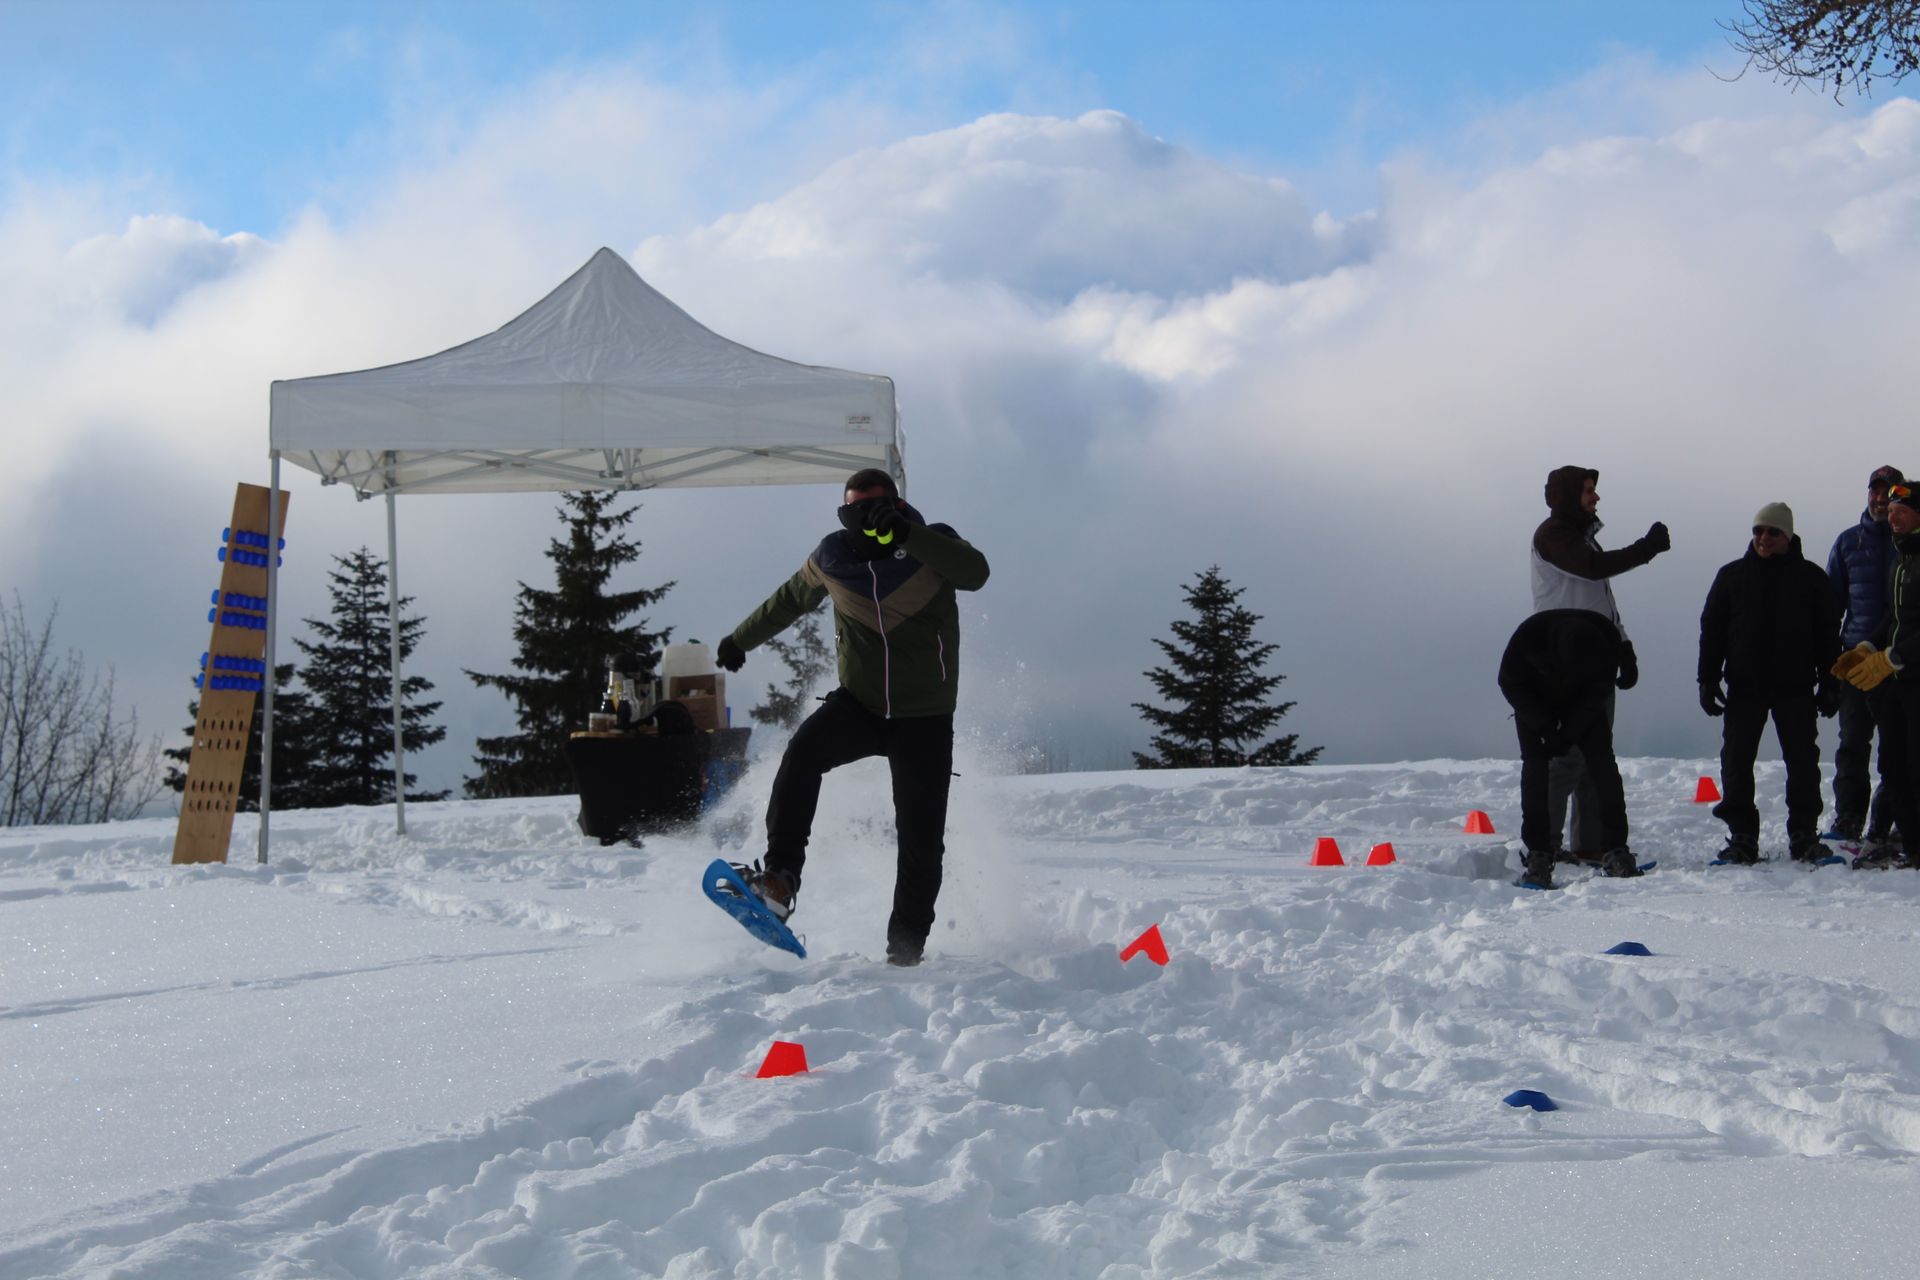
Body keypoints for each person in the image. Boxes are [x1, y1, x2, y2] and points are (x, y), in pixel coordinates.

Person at [713, 468, 990, 964]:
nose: (865, 520)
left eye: (878, 508)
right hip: (859, 705)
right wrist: (740, 639)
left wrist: (910, 535)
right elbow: (787, 601)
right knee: (801, 756)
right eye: (853, 511)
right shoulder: (833, 557)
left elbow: (976, 573)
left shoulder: (936, 545)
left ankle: (905, 951)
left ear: (899, 507)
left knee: (920, 842)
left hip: (923, 718)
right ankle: (778, 881)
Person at [1530, 466, 1670, 862]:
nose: (1596, 497)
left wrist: (1623, 646)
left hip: (1595, 659)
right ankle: (1546, 845)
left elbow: (1600, 600)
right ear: (1569, 495)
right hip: (1563, 663)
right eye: (1589, 490)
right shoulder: (1554, 536)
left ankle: (1588, 843)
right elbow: (1591, 570)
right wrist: (1646, 549)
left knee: (1596, 755)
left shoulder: (1582, 540)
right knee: (1567, 754)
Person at [1697, 503, 1842, 864]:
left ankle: (1804, 836)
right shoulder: (1731, 577)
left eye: (1773, 532)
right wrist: (1707, 678)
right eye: (1758, 530)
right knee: (1736, 761)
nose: (1764, 538)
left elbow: (1827, 636)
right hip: (1744, 687)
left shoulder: (1811, 579)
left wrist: (1830, 681)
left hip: (1795, 688)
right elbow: (1712, 631)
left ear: (1787, 536)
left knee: (1803, 763)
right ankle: (1742, 838)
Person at [1498, 609, 1636, 888]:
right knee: (1536, 767)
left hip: (1584, 700)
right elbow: (1510, 684)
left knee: (1602, 764)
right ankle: (1539, 852)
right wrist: (1546, 729)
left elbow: (1598, 693)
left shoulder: (1602, 646)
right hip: (1535, 698)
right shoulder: (1525, 643)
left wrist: (1571, 732)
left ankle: (1615, 848)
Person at [1835, 480, 1920, 869]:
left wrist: (1894, 657)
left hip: (1909, 672)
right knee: (1894, 763)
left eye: (1902, 509)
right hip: (1899, 681)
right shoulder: (1901, 560)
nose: (1893, 515)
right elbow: (1895, 618)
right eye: (1891, 508)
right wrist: (1867, 646)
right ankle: (1910, 844)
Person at [1823, 465, 1906, 849]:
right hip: (1857, 657)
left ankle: (1893, 820)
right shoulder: (1847, 543)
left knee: (1901, 745)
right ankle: (1850, 817)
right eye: (1875, 492)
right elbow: (1829, 606)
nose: (1879, 499)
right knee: (1853, 742)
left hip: (1903, 660)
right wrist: (1827, 661)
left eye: (1888, 494)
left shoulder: (1909, 543)